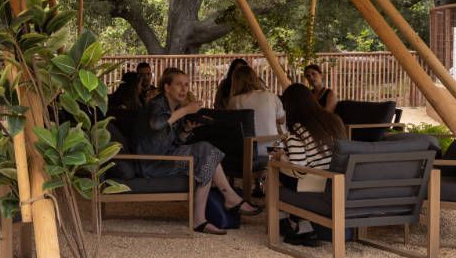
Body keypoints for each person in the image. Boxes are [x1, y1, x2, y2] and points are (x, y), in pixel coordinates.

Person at [135, 67, 257, 235]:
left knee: (208, 155)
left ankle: (207, 214)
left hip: (166, 157)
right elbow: (156, 125)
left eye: (186, 84)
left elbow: (175, 141)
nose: (184, 89)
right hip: (153, 162)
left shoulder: (174, 107)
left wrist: (186, 129)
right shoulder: (157, 104)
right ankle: (224, 202)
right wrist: (185, 111)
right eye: (179, 84)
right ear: (167, 87)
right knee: (206, 152)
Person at [274, 83, 347, 246]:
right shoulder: (335, 121)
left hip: (319, 186)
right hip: (340, 183)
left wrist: (281, 159)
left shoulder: (297, 131)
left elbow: (299, 170)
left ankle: (288, 222)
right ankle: (300, 223)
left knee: (274, 175)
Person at [223, 60, 285, 156]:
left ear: (236, 81)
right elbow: (281, 120)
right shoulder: (270, 96)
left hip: (249, 151)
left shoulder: (234, 101)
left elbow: (230, 127)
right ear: (255, 78)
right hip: (273, 149)